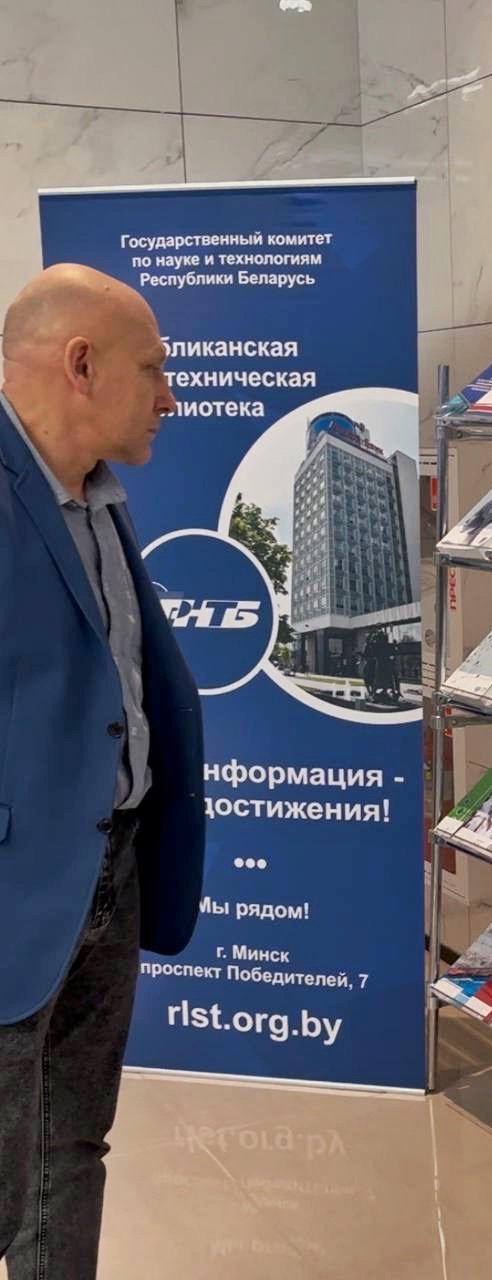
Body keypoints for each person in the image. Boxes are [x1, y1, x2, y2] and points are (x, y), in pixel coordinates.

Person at [0, 264, 205, 1279]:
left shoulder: (99, 499)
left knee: (69, 1148)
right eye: (153, 369)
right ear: (82, 365)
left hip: (108, 871)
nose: (170, 397)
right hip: (12, 891)